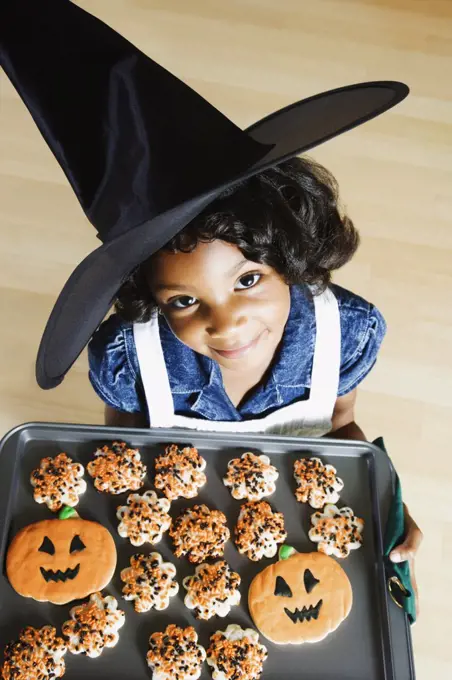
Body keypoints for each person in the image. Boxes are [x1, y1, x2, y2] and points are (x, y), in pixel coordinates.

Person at [88, 156, 422, 611]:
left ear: (288, 259)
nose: (225, 326)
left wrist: (386, 501)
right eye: (184, 301)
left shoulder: (342, 331)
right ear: (150, 297)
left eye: (247, 280)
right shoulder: (129, 355)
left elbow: (342, 422)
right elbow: (123, 451)